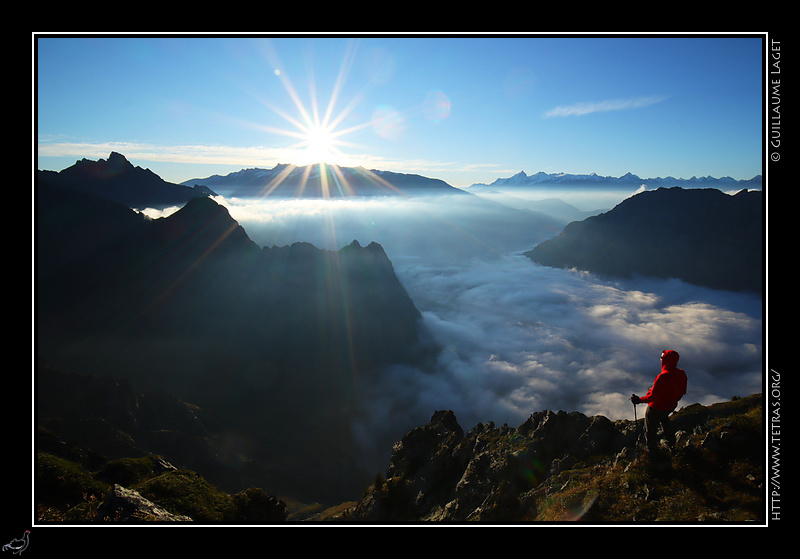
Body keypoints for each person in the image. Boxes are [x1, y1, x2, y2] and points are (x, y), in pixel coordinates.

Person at [630, 350, 687, 453]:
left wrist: (638, 400)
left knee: (650, 429)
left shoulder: (662, 377)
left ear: (665, 360)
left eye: (662, 357)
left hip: (656, 408)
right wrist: (673, 400)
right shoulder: (681, 373)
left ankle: (651, 449)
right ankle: (671, 442)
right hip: (670, 406)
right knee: (665, 420)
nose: (660, 359)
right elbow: (683, 391)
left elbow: (653, 397)